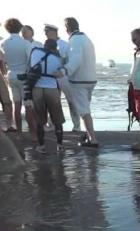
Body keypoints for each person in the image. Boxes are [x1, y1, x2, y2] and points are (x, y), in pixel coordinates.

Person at [54, 17, 99, 147]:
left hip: (80, 80)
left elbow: (76, 60)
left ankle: (93, 139)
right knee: (86, 108)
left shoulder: (75, 41)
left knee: (84, 111)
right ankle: (88, 133)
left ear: (67, 28)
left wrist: (64, 70)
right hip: (90, 78)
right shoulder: (86, 39)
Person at [0, 18, 37, 134]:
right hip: (24, 76)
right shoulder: (25, 43)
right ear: (20, 28)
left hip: (11, 75)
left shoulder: (3, 43)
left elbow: (3, 59)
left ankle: (19, 134)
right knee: (28, 106)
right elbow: (32, 61)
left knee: (16, 105)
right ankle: (33, 134)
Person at [29, 39, 65, 153]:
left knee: (40, 119)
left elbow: (30, 67)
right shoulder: (57, 58)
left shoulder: (35, 52)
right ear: (54, 48)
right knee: (57, 119)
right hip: (52, 88)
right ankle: (59, 145)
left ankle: (41, 146)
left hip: (37, 88)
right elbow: (59, 75)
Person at [44, 23, 80, 132]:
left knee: (71, 101)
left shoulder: (65, 45)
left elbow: (70, 61)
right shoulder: (45, 45)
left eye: (47, 31)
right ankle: (52, 124)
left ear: (53, 32)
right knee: (53, 101)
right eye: (45, 31)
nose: (45, 33)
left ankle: (77, 126)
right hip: (51, 77)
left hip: (64, 77)